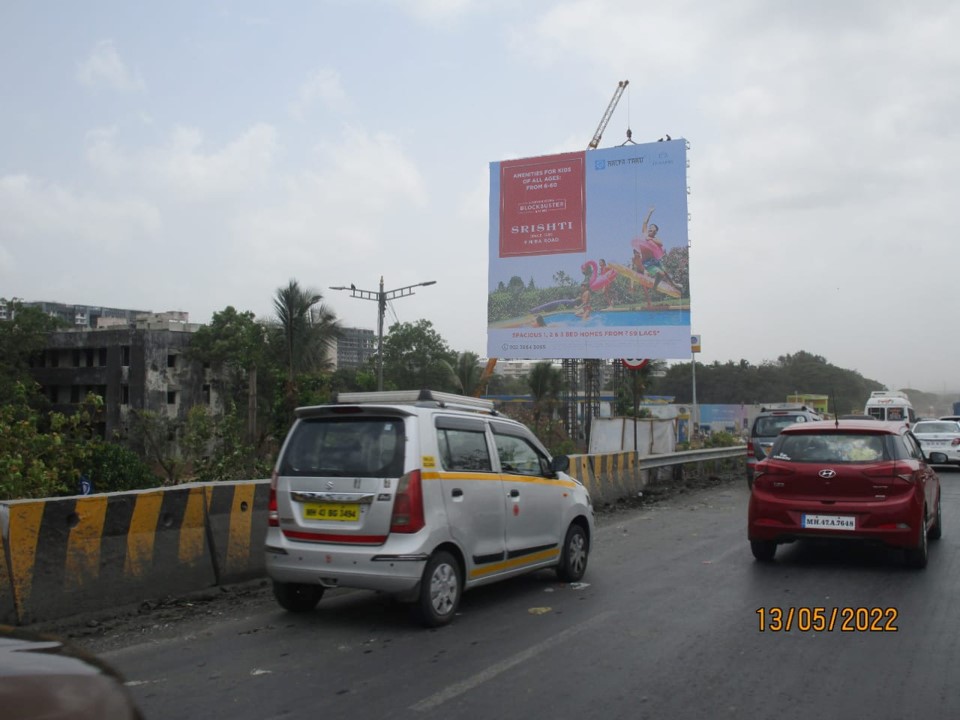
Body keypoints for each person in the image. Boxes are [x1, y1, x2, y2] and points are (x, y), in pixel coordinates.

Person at [632, 206, 680, 296]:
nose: (650, 228)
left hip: (655, 260)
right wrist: (650, 212)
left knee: (665, 272)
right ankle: (655, 286)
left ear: (655, 231)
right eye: (650, 227)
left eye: (652, 228)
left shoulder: (654, 239)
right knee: (661, 274)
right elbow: (645, 222)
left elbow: (661, 244)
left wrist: (650, 239)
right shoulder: (644, 234)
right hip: (647, 262)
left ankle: (673, 284)